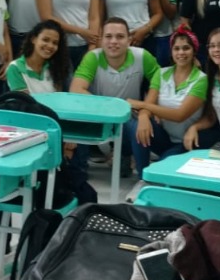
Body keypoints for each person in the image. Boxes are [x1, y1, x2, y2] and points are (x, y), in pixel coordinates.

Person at [69, 18, 161, 178]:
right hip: (99, 116)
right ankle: (80, 171)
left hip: (129, 117)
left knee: (140, 127)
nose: (113, 41)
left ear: (129, 40)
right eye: (108, 36)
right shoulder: (93, 58)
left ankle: (143, 176)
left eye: (120, 36)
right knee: (77, 120)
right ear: (101, 40)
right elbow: (76, 89)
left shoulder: (142, 56)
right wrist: (114, 107)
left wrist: (147, 110)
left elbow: (160, 80)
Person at [124, 27, 209, 179]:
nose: (181, 52)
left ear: (194, 51)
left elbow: (180, 115)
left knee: (160, 172)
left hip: (185, 142)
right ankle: (141, 176)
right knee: (135, 124)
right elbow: (149, 102)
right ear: (171, 51)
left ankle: (154, 172)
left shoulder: (201, 79)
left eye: (186, 48)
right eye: (176, 48)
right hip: (164, 137)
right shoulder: (161, 73)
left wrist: (142, 105)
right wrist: (143, 116)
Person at [5, 20, 71, 95]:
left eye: (55, 43)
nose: (50, 46)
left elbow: (57, 97)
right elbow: (23, 100)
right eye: (45, 40)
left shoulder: (55, 66)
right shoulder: (15, 68)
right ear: (33, 39)